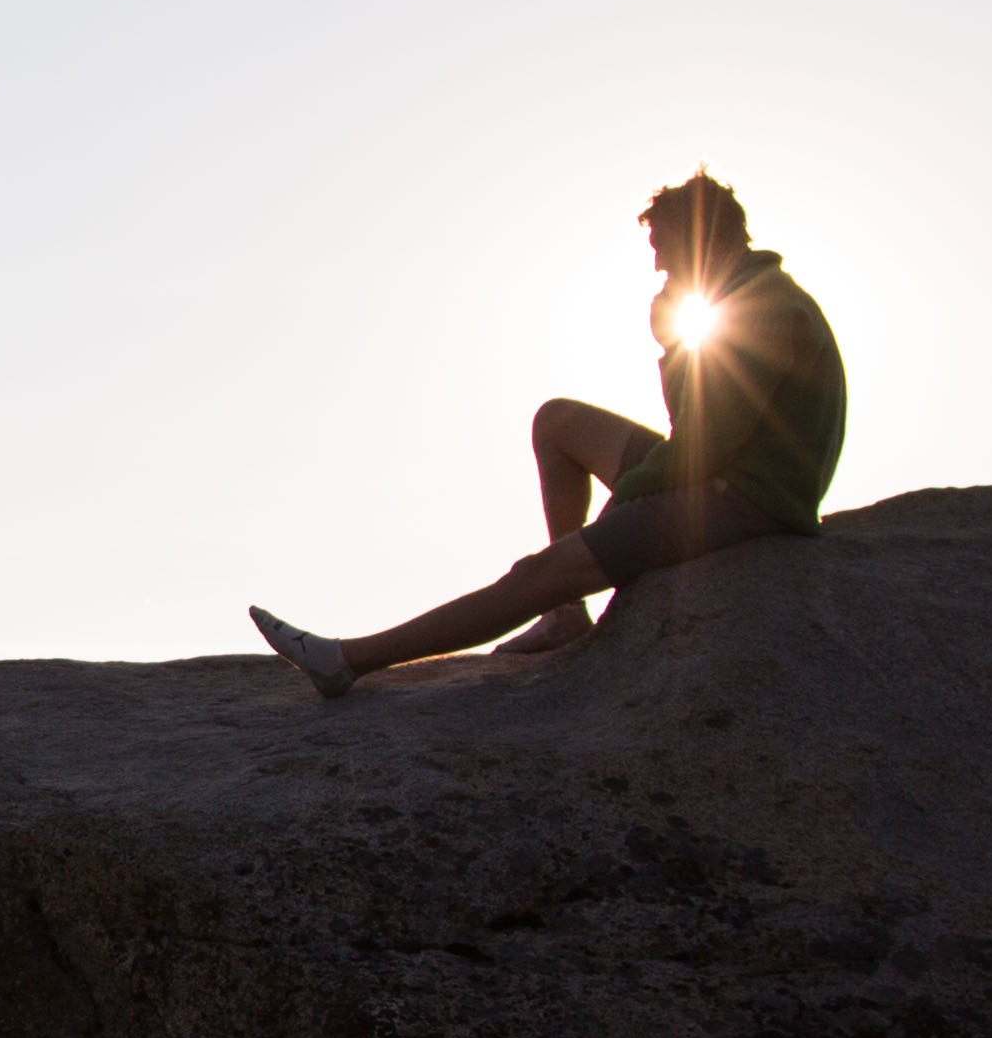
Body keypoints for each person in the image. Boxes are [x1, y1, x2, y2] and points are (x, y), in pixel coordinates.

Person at [250, 174, 849, 698]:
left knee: (537, 573)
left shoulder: (762, 309)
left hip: (745, 499)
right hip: (725, 469)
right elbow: (695, 429)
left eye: (665, 251)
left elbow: (701, 449)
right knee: (557, 421)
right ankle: (566, 616)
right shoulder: (744, 297)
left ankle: (346, 661)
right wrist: (672, 346)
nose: (660, 268)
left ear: (702, 239)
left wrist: (622, 507)